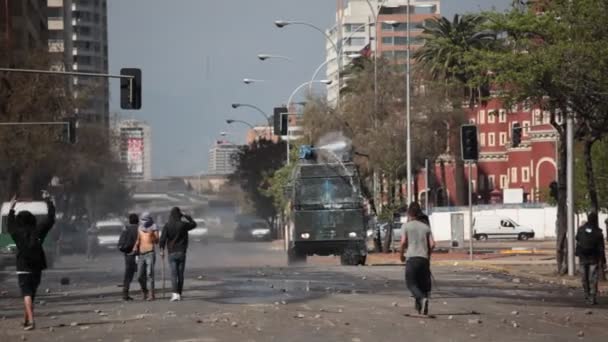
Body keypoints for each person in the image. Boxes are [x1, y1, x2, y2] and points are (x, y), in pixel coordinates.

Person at [7, 193, 56, 331]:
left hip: (23, 266)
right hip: (37, 266)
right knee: (31, 293)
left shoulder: (16, 233)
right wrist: (49, 201)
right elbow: (50, 219)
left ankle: (32, 321)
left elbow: (9, 224)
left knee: (26, 293)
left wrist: (11, 207)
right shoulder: (39, 231)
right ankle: (26, 319)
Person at [399, 202, 435, 316]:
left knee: (411, 284)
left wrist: (401, 254)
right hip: (424, 259)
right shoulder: (425, 227)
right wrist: (428, 255)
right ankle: (421, 308)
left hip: (412, 258)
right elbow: (433, 244)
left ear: (409, 213)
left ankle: (422, 299)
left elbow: (403, 242)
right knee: (422, 284)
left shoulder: (406, 226)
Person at [160, 207, 197, 302]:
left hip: (172, 253)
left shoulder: (167, 225)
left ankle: (175, 294)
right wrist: (187, 216)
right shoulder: (183, 225)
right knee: (180, 274)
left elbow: (163, 239)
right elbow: (194, 224)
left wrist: (161, 250)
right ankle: (179, 293)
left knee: (173, 274)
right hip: (181, 252)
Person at [575, 212, 606, 305]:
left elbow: (577, 239)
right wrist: (603, 260)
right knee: (593, 278)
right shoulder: (598, 232)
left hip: (582, 257)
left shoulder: (581, 230)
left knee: (584, 278)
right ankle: (592, 297)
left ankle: (586, 295)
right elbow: (601, 248)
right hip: (594, 258)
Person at [132, 212, 159, 300]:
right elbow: (138, 239)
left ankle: (152, 294)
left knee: (150, 274)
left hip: (150, 252)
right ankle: (144, 291)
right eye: (142, 220)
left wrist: (151, 235)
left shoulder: (154, 227)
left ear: (149, 220)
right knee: (139, 275)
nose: (143, 222)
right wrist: (135, 246)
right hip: (141, 253)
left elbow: (156, 241)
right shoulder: (140, 227)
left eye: (145, 220)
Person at [117, 213, 140, 301]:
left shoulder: (126, 229)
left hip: (128, 255)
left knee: (128, 275)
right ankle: (146, 293)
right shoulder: (140, 229)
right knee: (142, 274)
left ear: (130, 220)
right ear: (137, 220)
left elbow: (120, 243)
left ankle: (125, 293)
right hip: (139, 254)